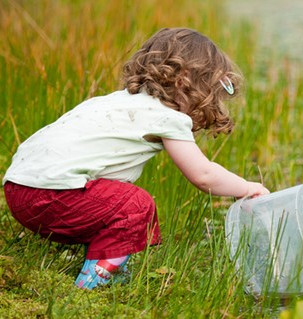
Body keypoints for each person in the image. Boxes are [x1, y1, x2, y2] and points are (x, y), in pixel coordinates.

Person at [2, 28, 269, 289]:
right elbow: (203, 175)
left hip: (18, 189)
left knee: (112, 194)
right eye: (211, 88)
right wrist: (246, 188)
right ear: (183, 79)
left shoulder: (114, 102)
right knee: (136, 206)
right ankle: (92, 282)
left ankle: (107, 262)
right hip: (50, 196)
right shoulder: (168, 117)